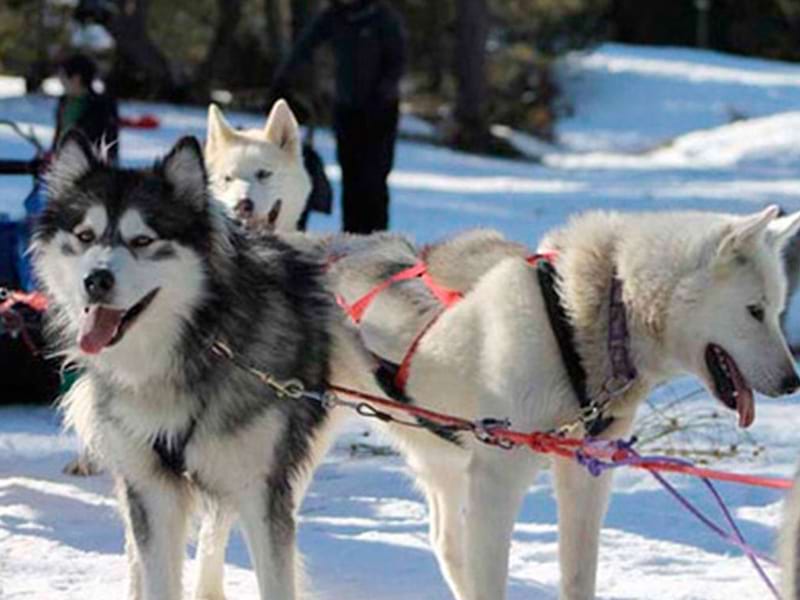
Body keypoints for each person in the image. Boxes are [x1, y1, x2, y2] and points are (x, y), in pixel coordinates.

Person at [272, 0, 406, 234]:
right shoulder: (334, 16)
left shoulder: (382, 16)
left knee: (374, 178)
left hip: (380, 111)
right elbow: (304, 47)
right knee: (351, 177)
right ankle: (352, 235)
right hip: (347, 109)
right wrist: (282, 80)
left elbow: (398, 60)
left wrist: (383, 91)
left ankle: (378, 236)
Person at [52, 53, 119, 163]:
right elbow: (60, 133)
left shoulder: (101, 106)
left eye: (63, 76)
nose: (61, 81)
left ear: (76, 78)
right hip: (63, 165)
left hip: (90, 169)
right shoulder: (64, 101)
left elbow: (109, 142)